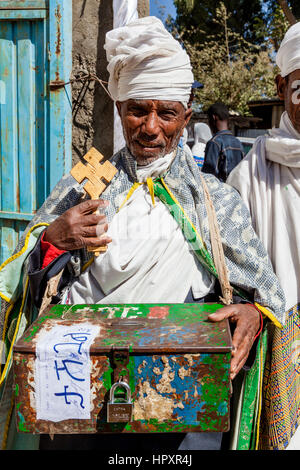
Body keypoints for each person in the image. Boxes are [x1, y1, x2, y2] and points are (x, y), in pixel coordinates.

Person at [0, 16, 285, 451]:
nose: (151, 127)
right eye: (138, 109)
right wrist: (54, 237)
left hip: (177, 399)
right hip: (76, 389)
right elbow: (22, 274)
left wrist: (252, 315)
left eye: (166, 113)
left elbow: (261, 292)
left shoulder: (214, 201)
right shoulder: (85, 182)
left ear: (186, 116)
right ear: (119, 110)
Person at [227, 22, 300, 450]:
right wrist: (248, 305)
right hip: (279, 349)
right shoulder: (247, 178)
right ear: (282, 85)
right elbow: (228, 275)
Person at [202, 102, 245, 181]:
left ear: (214, 117)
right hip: (237, 191)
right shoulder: (238, 142)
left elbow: (208, 177)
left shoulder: (214, 143)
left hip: (220, 191)